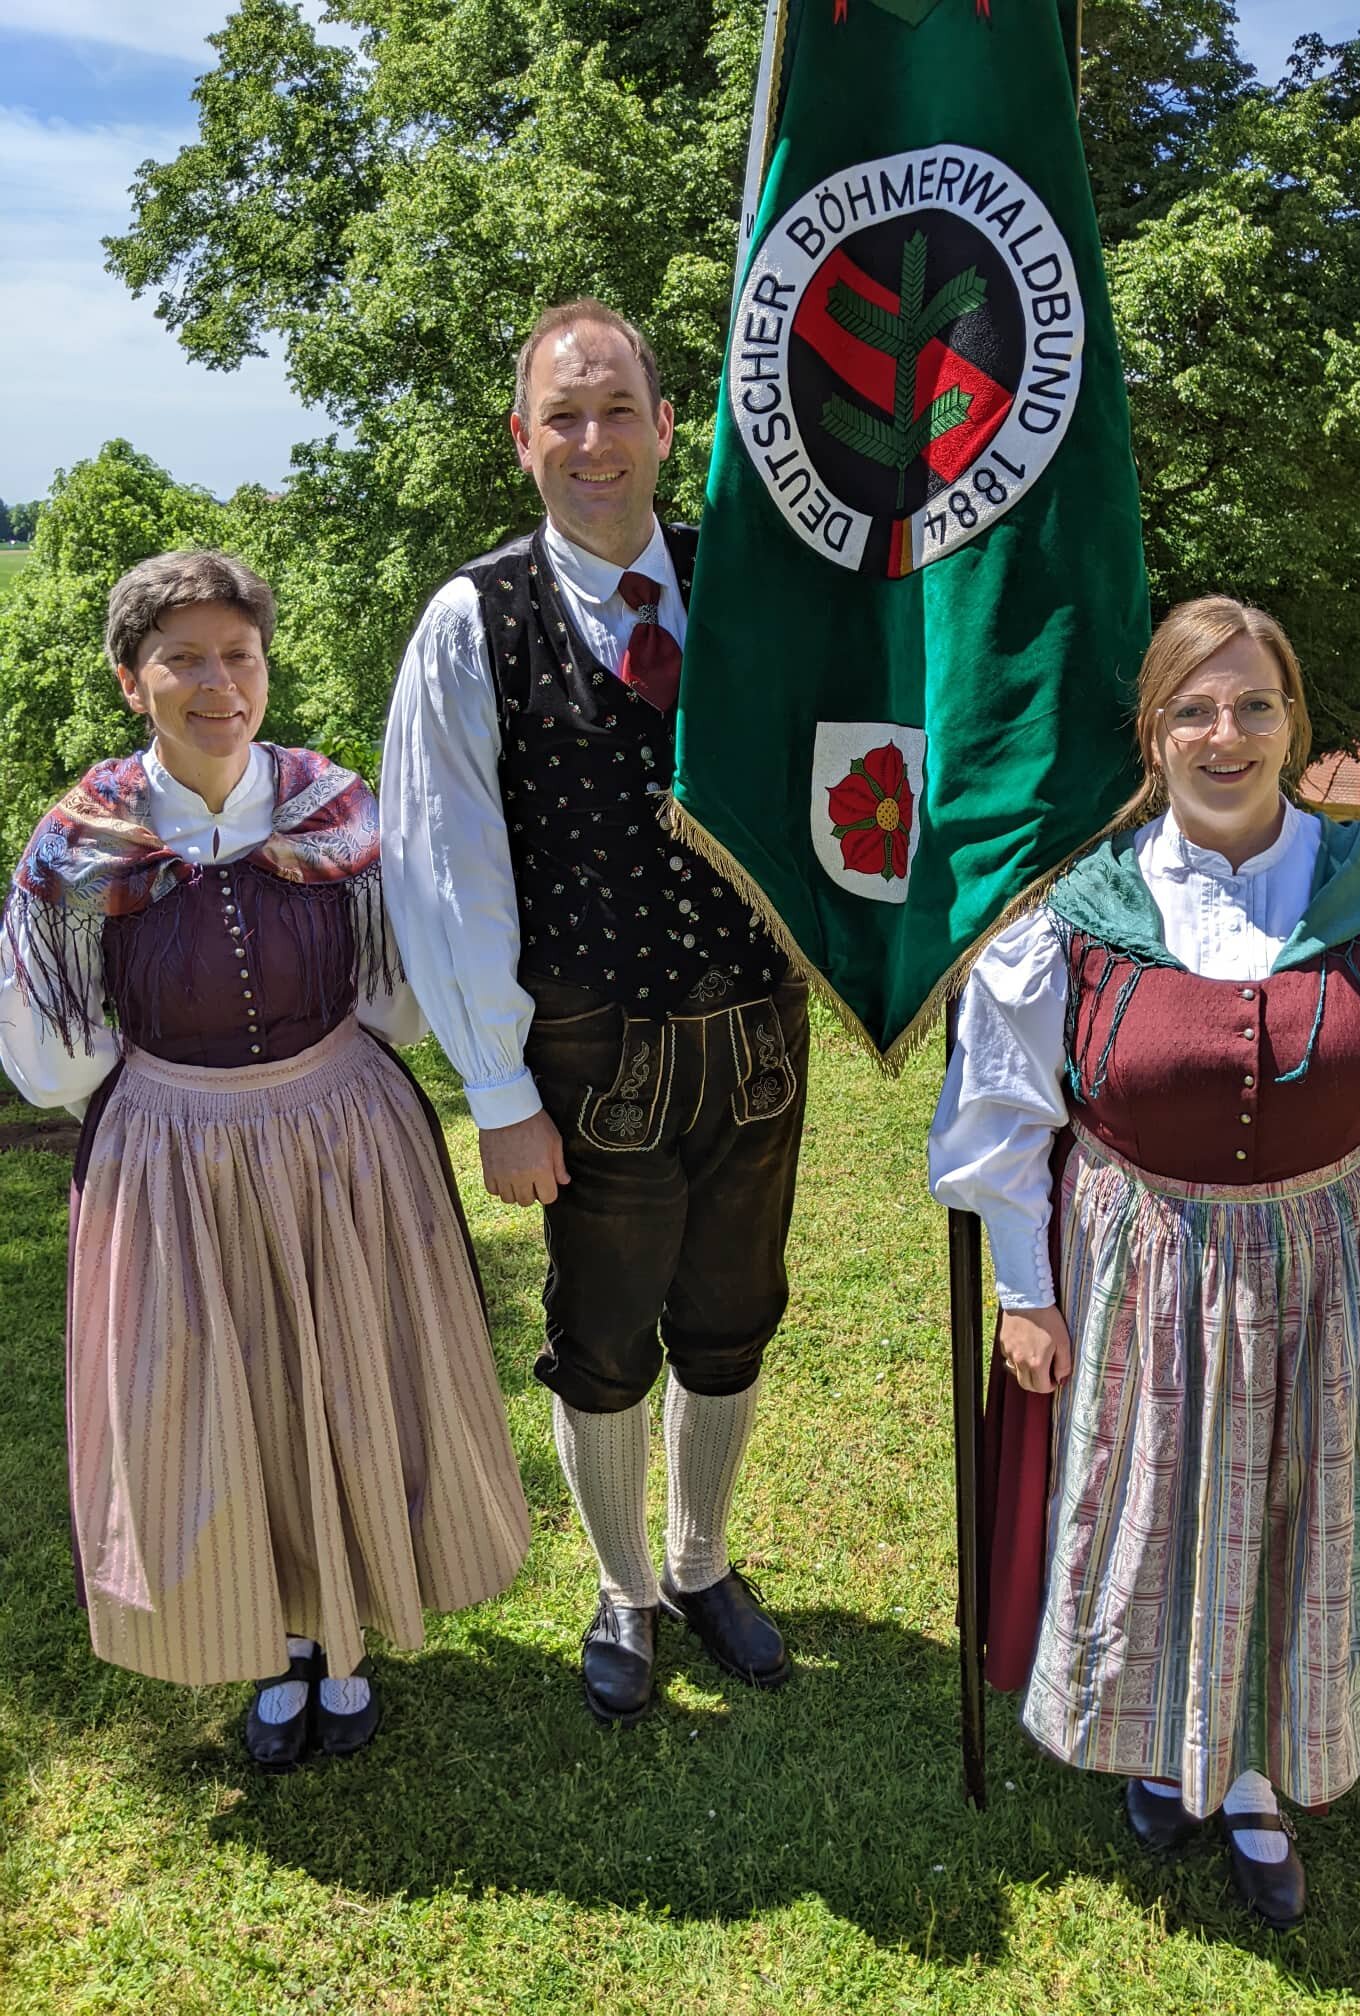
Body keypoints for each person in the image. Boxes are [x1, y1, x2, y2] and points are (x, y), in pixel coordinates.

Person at [929, 596, 1360, 1929]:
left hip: (1325, 1267)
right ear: (1153, 733)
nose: (1225, 732)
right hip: (1133, 1266)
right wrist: (1023, 1286)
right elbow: (1007, 1101)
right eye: (1194, 707)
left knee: (1295, 1508)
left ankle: (1254, 1776)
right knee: (1144, 1506)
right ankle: (1156, 1742)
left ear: (1296, 723)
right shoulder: (1079, 906)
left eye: (1255, 704)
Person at [0, 550, 530, 1769]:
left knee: (349, 1373)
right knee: (216, 1390)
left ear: (264, 667)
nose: (216, 681)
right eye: (182, 658)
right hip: (176, 1159)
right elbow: (50, 1057)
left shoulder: (339, 810)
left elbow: (402, 993)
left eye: (236, 654)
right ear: (133, 681)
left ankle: (345, 1640)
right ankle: (281, 1642)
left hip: (341, 1140)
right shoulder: (78, 847)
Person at [380, 300, 808, 1728]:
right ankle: (623, 1582)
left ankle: (701, 1563)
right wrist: (496, 1088)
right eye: (563, 414)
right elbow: (445, 860)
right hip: (587, 1055)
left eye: (617, 407)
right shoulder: (474, 619)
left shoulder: (744, 586)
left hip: (755, 1035)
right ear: (522, 441)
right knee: (608, 1333)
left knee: (734, 1317)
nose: (592, 439)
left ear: (666, 426)